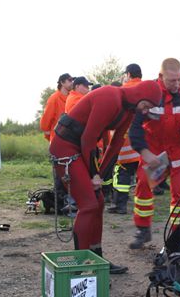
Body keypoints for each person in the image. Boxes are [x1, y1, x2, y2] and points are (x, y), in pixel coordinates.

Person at [49, 81, 162, 274]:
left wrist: (101, 175)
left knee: (99, 201)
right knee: (88, 205)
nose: (145, 111)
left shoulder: (129, 110)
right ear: (139, 95)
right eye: (146, 105)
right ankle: (81, 267)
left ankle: (97, 259)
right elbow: (88, 139)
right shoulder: (110, 97)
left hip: (81, 147)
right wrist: (94, 174)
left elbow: (116, 144)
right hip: (65, 147)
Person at [128, 58, 180, 249]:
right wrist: (145, 152)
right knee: (142, 185)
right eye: (172, 80)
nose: (177, 84)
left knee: (179, 194)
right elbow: (135, 129)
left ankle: (176, 236)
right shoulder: (148, 94)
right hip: (155, 155)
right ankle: (143, 230)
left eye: (179, 80)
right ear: (160, 77)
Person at [108, 64, 143, 214]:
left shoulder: (123, 91)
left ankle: (119, 205)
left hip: (126, 141)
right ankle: (143, 206)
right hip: (145, 144)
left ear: (128, 74)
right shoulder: (150, 88)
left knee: (122, 173)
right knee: (142, 176)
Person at [40, 73, 73, 142]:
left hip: (71, 139)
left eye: (72, 80)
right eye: (69, 80)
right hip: (57, 139)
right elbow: (46, 121)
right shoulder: (53, 98)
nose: (72, 82)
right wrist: (49, 134)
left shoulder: (72, 97)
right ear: (62, 82)